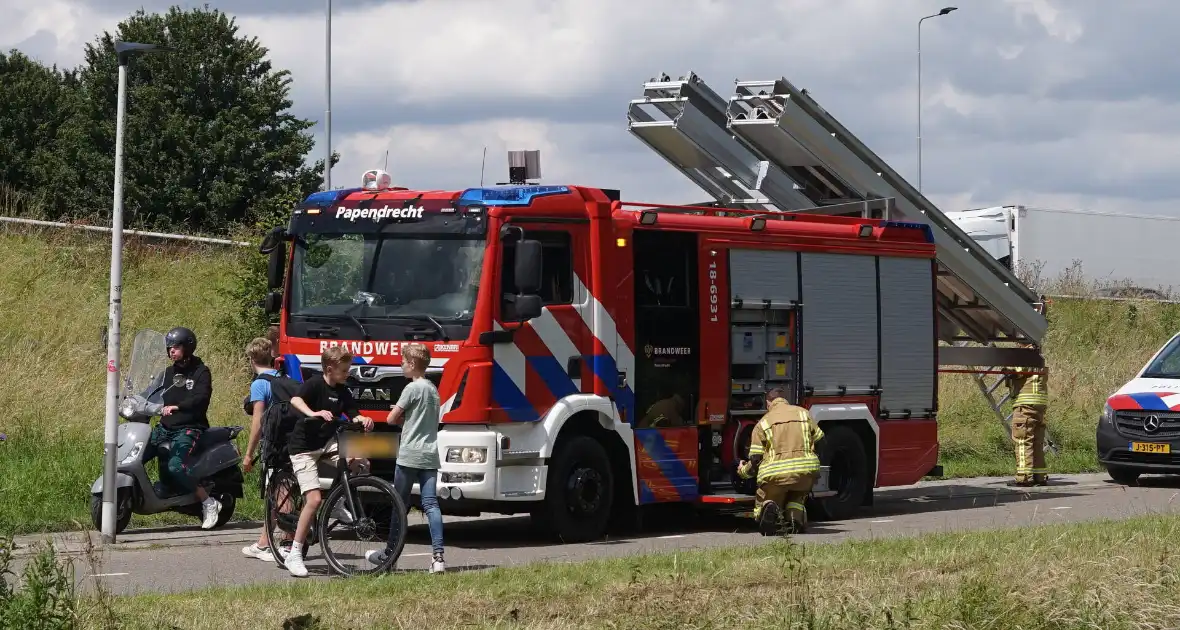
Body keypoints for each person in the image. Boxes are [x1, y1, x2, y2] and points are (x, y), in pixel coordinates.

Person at [282, 346, 375, 578]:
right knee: (313, 500)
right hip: (304, 448)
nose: (347, 373)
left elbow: (353, 413)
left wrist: (364, 419)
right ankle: (294, 553)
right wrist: (313, 413)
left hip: (326, 444)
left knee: (362, 461)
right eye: (344, 370)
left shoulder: (343, 391)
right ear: (330, 369)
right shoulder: (314, 384)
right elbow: (295, 399)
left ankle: (336, 501)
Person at [367, 342, 446, 574]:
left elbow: (391, 419)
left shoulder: (411, 389)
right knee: (431, 504)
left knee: (398, 504)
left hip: (409, 454)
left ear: (412, 364)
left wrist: (399, 413)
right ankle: (438, 557)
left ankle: (389, 555)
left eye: (403, 362)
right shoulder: (433, 389)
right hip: (430, 455)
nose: (401, 366)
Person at [149, 326, 221, 529]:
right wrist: (133, 400)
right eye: (169, 347)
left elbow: (201, 398)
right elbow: (150, 391)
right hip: (165, 427)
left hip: (189, 427)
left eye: (176, 347)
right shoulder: (167, 373)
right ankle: (159, 489)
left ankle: (208, 502)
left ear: (188, 347)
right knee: (140, 452)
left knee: (175, 465)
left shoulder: (201, 372)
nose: (171, 350)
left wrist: (178, 406)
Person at [736, 387, 824, 536]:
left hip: (775, 475)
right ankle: (794, 518)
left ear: (768, 403)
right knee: (797, 496)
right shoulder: (803, 413)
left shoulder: (763, 423)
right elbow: (821, 440)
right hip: (805, 472)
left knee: (769, 496)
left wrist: (743, 471)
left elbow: (756, 459)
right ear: (785, 400)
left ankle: (767, 507)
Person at [240, 337, 295, 561]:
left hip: (274, 445)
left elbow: (258, 422)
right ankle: (264, 543)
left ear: (252, 359)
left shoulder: (259, 384)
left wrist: (248, 454)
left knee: (281, 492)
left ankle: (289, 542)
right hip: (291, 441)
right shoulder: (284, 378)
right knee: (277, 491)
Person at [1006, 355, 1049, 487]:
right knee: (1037, 442)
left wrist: (1006, 369)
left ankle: (1024, 477)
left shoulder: (1025, 354)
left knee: (1023, 441)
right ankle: (1039, 476)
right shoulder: (1037, 356)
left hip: (1025, 404)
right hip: (1039, 405)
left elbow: (1017, 372)